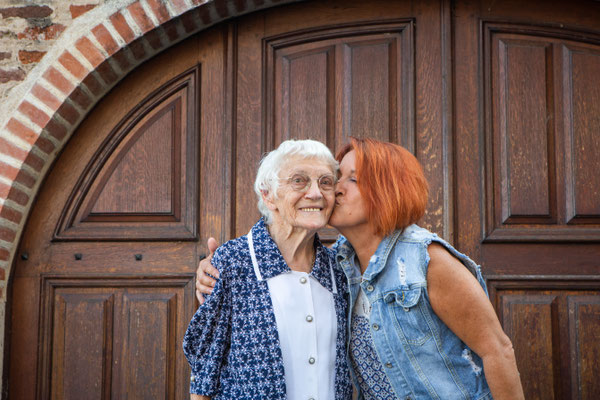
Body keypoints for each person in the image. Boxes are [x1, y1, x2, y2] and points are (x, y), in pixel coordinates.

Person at [197, 137, 525, 399]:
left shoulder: (427, 261)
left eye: (351, 180)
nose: (333, 189)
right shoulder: (339, 264)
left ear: (387, 191)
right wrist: (214, 271)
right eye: (337, 178)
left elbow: (498, 350)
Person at [183, 139, 352, 400]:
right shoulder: (233, 262)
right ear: (268, 195)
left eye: (326, 182)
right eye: (299, 180)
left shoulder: (338, 270)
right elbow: (205, 375)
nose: (316, 193)